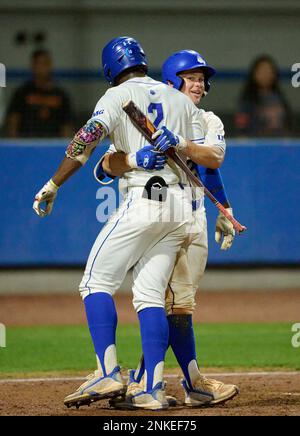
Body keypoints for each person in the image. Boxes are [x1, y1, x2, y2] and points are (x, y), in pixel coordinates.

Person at [33, 37, 224, 411]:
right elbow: (204, 155)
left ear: (110, 69)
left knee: (94, 281)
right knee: (150, 296)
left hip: (146, 200)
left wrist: (53, 183)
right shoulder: (181, 101)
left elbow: (83, 144)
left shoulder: (115, 96)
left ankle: (107, 371)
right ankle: (151, 388)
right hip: (181, 210)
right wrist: (138, 156)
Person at [94, 50, 238, 409]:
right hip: (164, 215)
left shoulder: (207, 120)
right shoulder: (147, 117)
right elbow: (104, 166)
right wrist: (131, 159)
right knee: (164, 302)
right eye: (191, 77)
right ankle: (180, 382)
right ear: (172, 81)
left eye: (203, 79)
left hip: (195, 220)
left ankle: (154, 380)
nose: (200, 85)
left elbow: (211, 160)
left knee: (180, 304)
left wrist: (225, 209)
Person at [6, 49, 73, 138]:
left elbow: (67, 126)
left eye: (45, 64)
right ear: (33, 66)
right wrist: (15, 147)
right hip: (27, 144)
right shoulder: (22, 92)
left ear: (50, 65)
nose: (42, 68)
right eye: (38, 64)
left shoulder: (61, 95)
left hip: (53, 145)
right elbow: (13, 122)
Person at [235, 55, 291, 137]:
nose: (266, 75)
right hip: (256, 145)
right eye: (262, 71)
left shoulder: (279, 98)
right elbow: (241, 129)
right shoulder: (247, 101)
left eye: (269, 71)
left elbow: (287, 124)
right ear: (254, 74)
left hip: (279, 144)